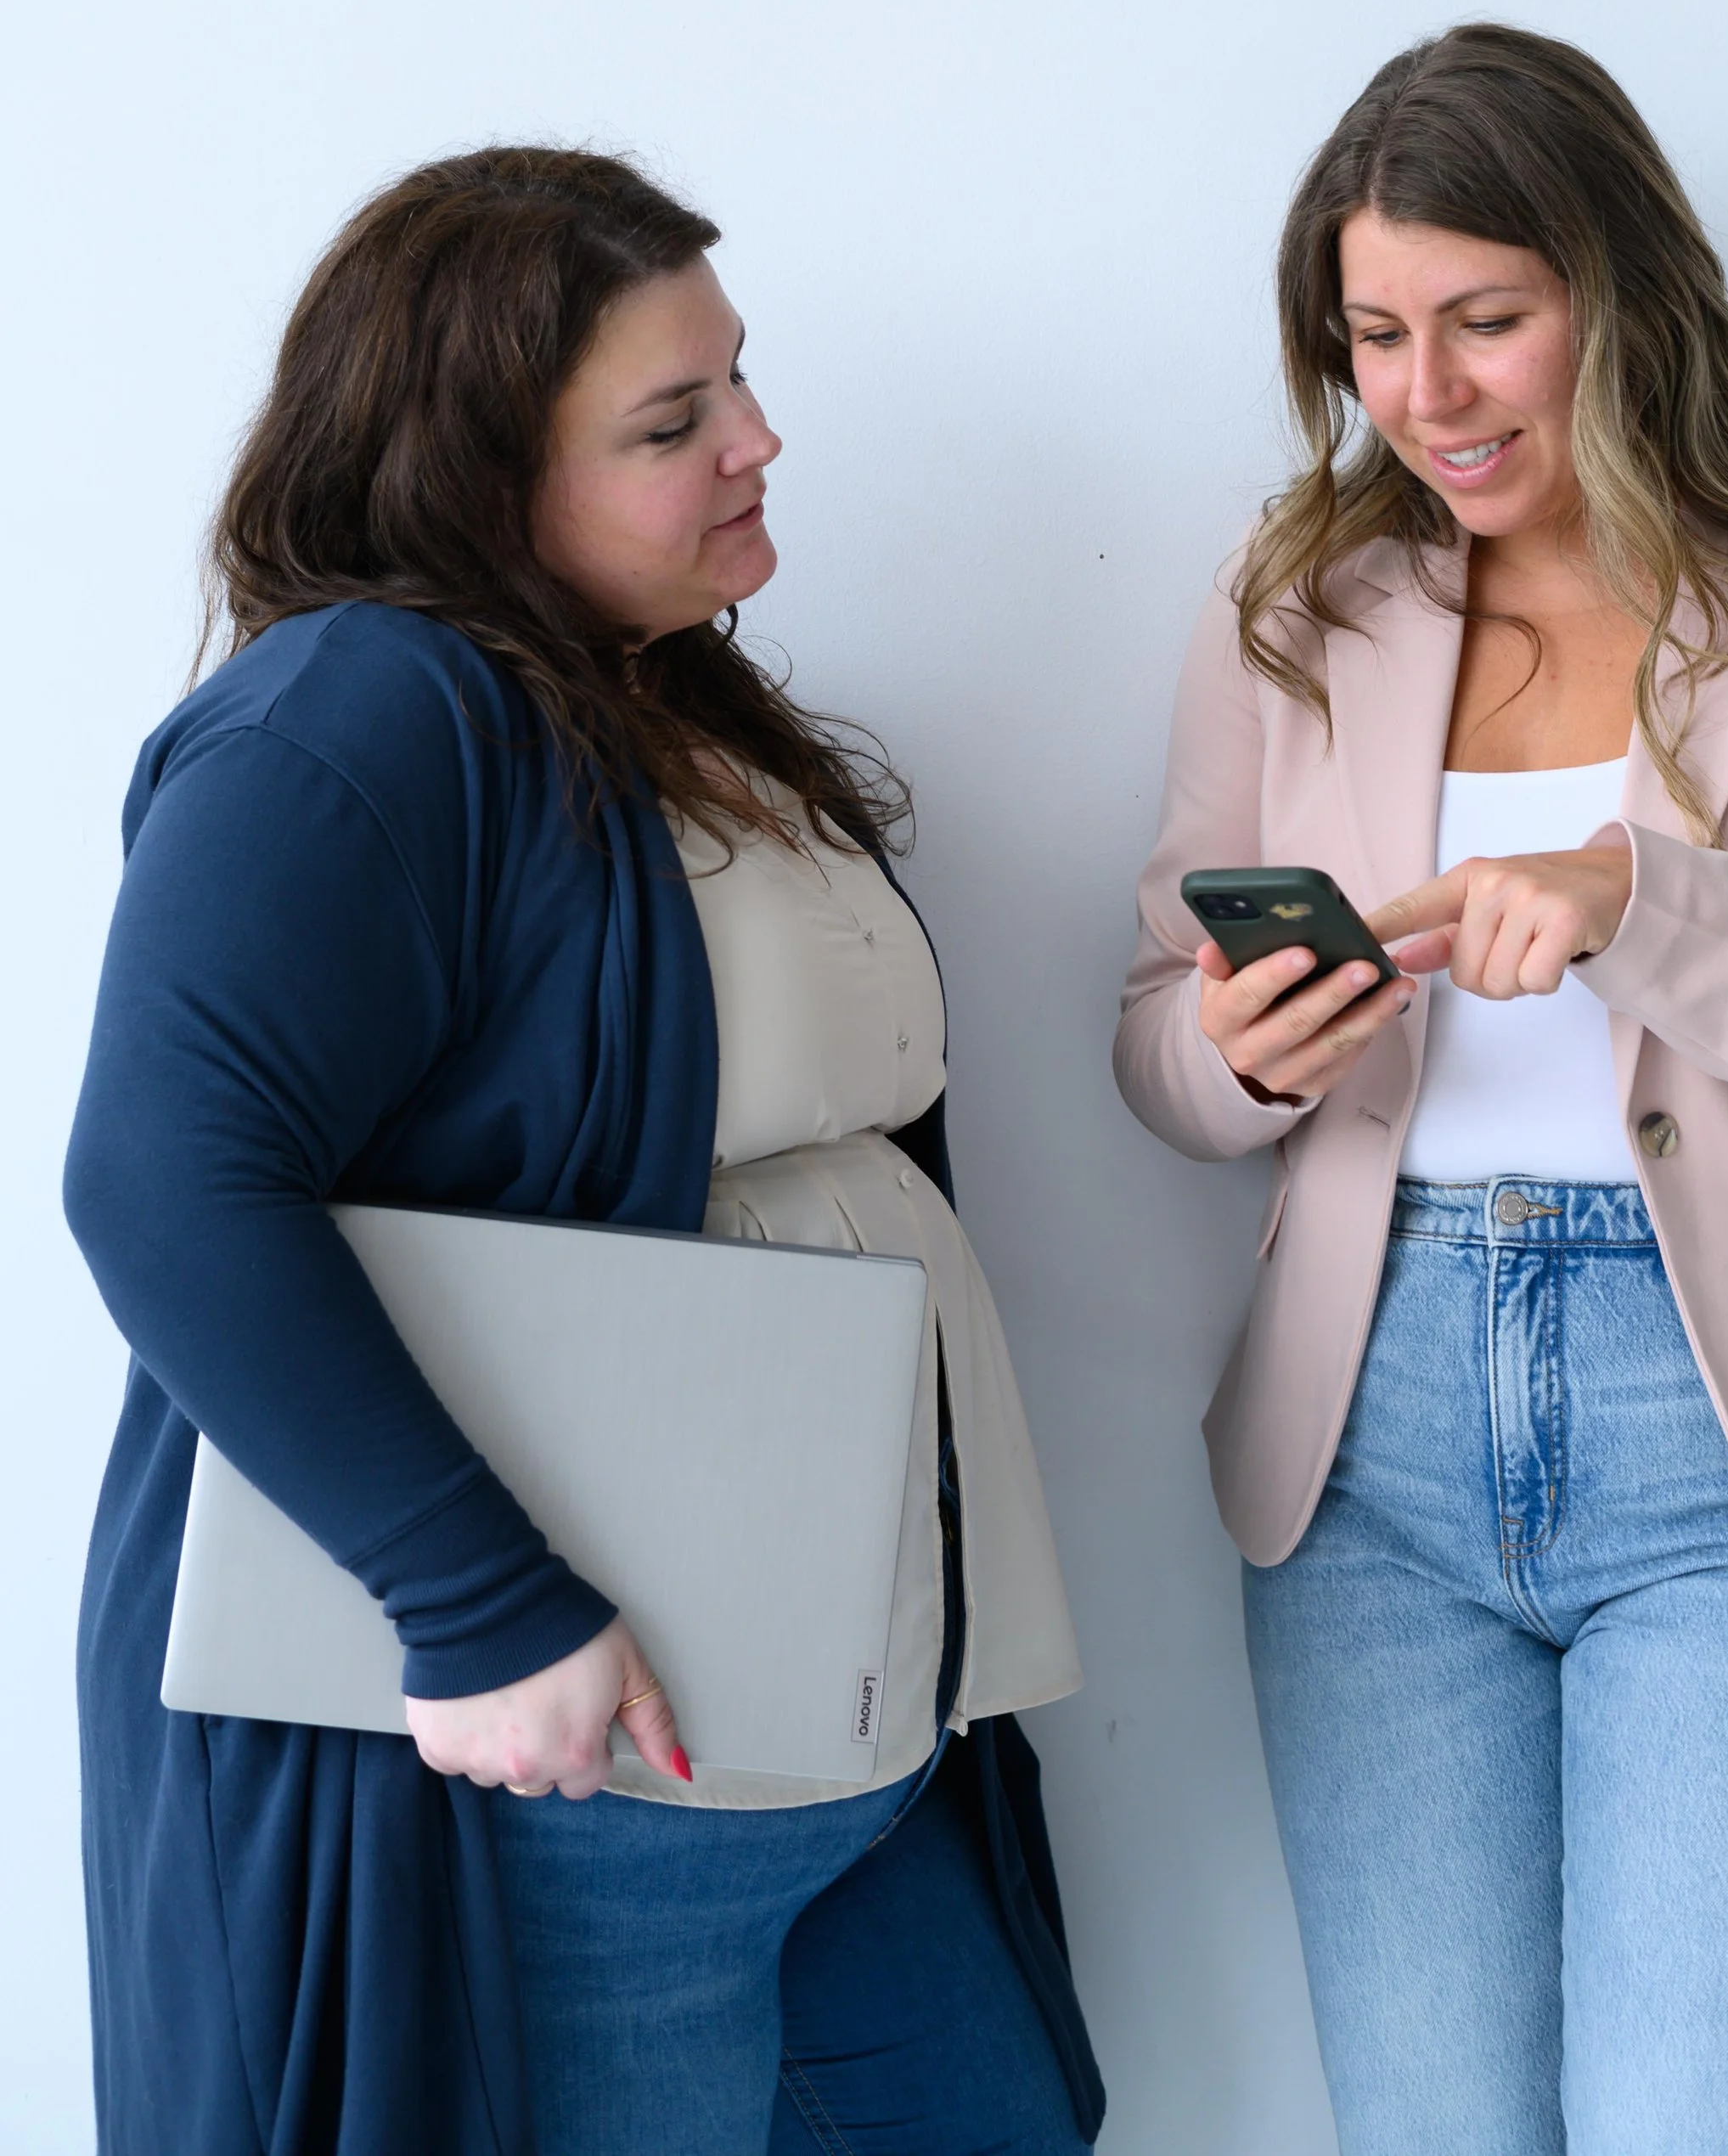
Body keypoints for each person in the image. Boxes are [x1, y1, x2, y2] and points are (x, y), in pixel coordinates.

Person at [67, 146, 1105, 2156]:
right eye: (668, 420)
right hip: (591, 1760)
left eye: (739, 379)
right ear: (476, 478)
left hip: (843, 1720)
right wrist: (481, 1605)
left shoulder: (665, 697)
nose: (755, 439)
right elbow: (162, 1181)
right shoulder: (354, 717)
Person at [1114, 24, 1728, 2156]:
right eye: (1372, 336)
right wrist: (1232, 1053)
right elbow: (1158, 1037)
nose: (1424, 396)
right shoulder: (1296, 598)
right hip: (1368, 1453)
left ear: (1618, 293)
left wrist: (1653, 907)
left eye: (1483, 321)